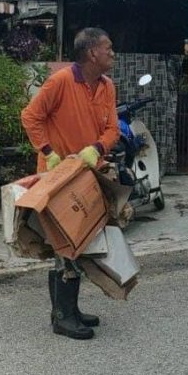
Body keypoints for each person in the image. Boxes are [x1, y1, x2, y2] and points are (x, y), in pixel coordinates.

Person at [21, 27, 121, 340]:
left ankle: (69, 310)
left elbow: (113, 129)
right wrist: (48, 152)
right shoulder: (62, 81)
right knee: (65, 244)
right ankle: (63, 317)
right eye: (109, 48)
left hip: (87, 175)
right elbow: (30, 116)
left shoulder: (106, 87)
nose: (112, 53)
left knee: (79, 242)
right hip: (58, 177)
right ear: (92, 53)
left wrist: (99, 148)